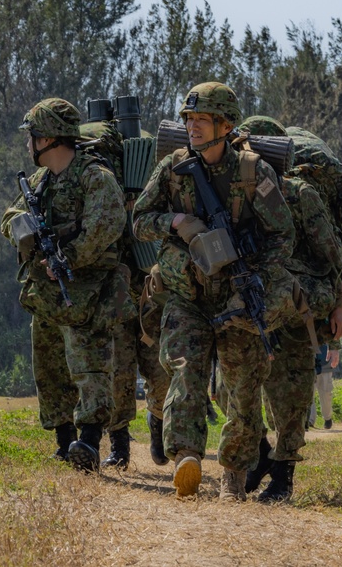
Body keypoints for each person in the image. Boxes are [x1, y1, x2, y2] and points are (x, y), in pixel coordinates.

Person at [132, 82, 298, 500]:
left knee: (242, 388)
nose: (193, 127)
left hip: (236, 296)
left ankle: (233, 475)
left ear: (225, 124)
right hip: (186, 293)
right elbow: (140, 221)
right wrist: (177, 223)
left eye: (202, 120)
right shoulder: (172, 167)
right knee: (185, 370)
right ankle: (186, 456)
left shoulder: (253, 172)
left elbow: (283, 233)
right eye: (189, 119)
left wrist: (255, 277)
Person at [0, 98, 127, 472]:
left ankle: (88, 441)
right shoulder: (40, 182)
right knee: (50, 366)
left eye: (33, 136)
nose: (29, 143)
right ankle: (63, 441)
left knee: (89, 367)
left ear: (49, 139)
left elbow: (107, 223)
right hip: (48, 292)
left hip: (88, 290)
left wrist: (68, 257)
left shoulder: (93, 175)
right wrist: (23, 230)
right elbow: (10, 216)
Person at [232, 114, 342, 502]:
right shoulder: (233, 194)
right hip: (257, 301)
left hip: (303, 301)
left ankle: (283, 475)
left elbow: (333, 256)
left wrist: (341, 307)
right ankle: (262, 453)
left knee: (293, 389)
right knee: (241, 382)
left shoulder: (301, 194)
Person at [76, 119, 170, 471]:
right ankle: (119, 445)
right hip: (112, 292)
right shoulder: (90, 179)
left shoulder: (156, 173)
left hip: (151, 290)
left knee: (160, 370)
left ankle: (158, 421)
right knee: (118, 370)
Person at [311, 344, 336, 430]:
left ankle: (327, 418)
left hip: (325, 364)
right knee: (310, 394)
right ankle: (310, 420)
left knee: (326, 394)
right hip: (310, 365)